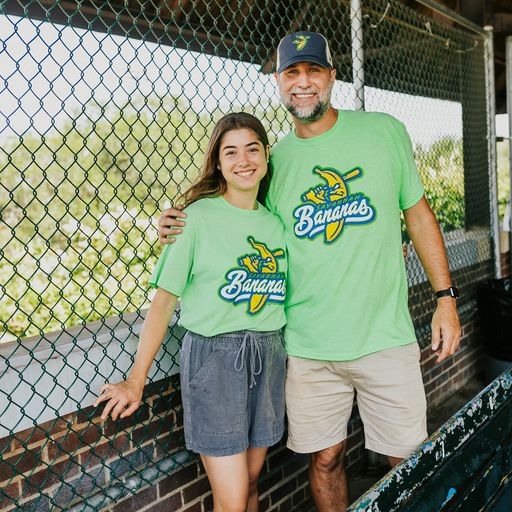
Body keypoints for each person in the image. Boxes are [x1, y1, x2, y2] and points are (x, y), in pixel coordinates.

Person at [157, 32, 461, 511]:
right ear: (279, 83)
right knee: (324, 460)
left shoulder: (383, 131)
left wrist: (446, 298)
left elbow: (419, 215)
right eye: (291, 74)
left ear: (331, 77)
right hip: (307, 346)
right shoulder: (273, 161)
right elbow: (235, 211)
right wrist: (180, 218)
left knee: (408, 461)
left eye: (313, 72)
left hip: (384, 335)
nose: (303, 84)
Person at [94, 113, 288, 512]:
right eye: (230, 152)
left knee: (251, 484)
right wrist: (136, 379)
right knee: (231, 499)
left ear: (267, 156)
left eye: (252, 149)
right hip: (215, 361)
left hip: (268, 355)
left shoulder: (275, 223)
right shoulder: (193, 218)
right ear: (217, 162)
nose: (243, 160)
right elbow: (163, 302)